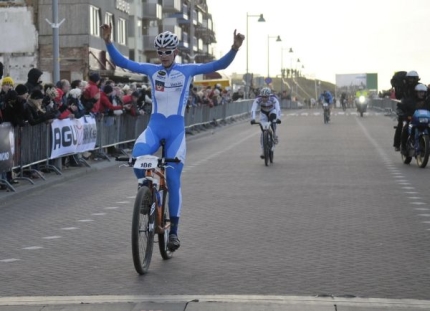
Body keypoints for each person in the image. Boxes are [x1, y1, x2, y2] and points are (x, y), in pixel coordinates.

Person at [101, 23, 245, 251]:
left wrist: (234, 48)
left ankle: (174, 232)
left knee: (173, 178)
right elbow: (123, 63)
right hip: (155, 128)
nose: (164, 56)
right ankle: (147, 193)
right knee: (137, 156)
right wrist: (108, 42)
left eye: (168, 52)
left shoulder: (187, 70)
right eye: (160, 52)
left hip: (175, 131)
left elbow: (217, 64)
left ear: (175, 52)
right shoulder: (152, 70)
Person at [250, 87, 281, 159]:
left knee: (273, 123)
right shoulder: (258, 99)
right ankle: (263, 151)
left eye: (266, 97)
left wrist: (278, 118)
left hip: (272, 112)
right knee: (263, 132)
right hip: (263, 113)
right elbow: (253, 109)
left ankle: (274, 135)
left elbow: (278, 109)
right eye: (263, 97)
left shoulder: (273, 99)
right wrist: (253, 119)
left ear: (269, 96)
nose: (264, 98)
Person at [393, 70, 420, 151]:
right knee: (402, 124)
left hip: (417, 109)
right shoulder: (404, 87)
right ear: (407, 79)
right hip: (405, 108)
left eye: (413, 78)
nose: (411, 80)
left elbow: (427, 95)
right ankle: (398, 145)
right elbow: (400, 98)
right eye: (410, 78)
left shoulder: (420, 86)